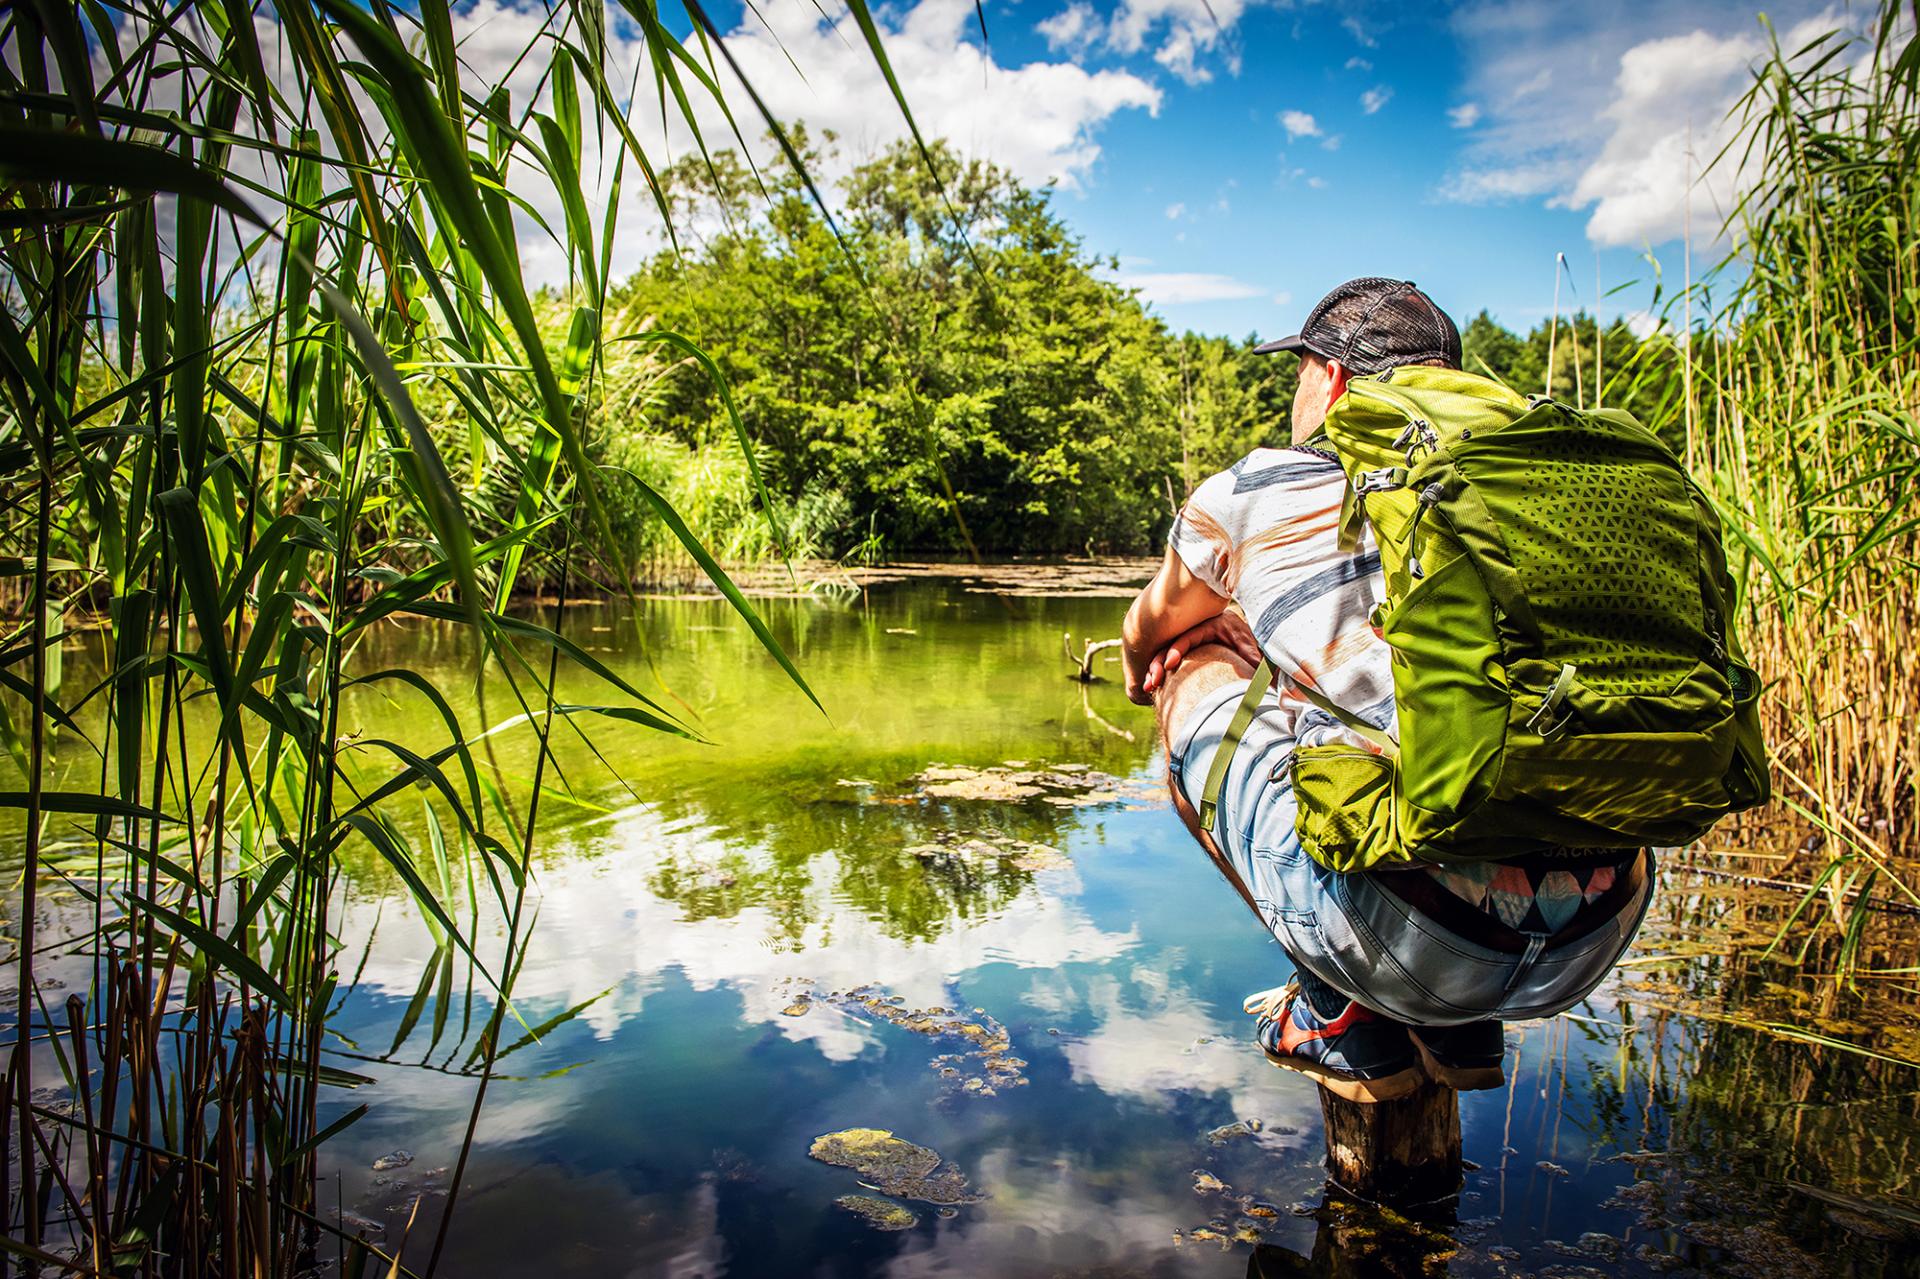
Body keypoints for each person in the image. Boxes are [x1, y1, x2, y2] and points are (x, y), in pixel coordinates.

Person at [1121, 278, 1654, 1103]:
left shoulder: (1260, 485)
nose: (1295, 392)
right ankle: (1458, 1030)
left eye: (1298, 371)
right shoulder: (1528, 489)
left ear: (1329, 379)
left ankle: (1343, 1012)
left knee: (1189, 663)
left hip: (1411, 940)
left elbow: (1148, 628)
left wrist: (1165, 654)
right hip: (1597, 933)